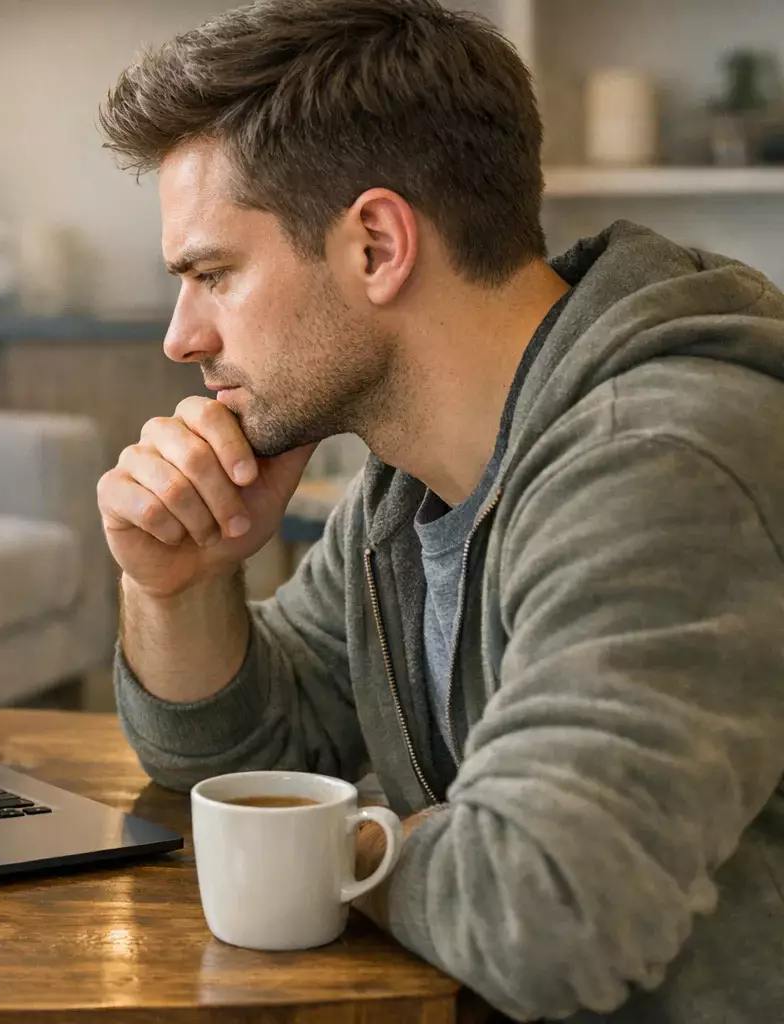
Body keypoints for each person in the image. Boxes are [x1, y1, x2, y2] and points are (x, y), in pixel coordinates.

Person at [94, 1, 784, 1021]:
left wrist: (352, 838)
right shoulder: (414, 477)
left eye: (212, 274)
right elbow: (240, 765)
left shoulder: (657, 463)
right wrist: (180, 583)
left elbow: (544, 916)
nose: (181, 336)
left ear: (377, 244)